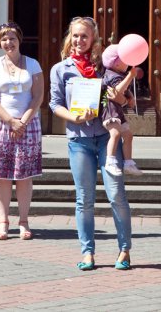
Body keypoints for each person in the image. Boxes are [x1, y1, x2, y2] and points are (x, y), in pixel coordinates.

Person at [49, 16, 133, 271]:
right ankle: (87, 253)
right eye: (75, 36)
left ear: (93, 39)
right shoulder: (61, 69)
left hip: (107, 138)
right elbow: (55, 104)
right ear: (69, 38)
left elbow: (126, 99)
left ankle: (125, 250)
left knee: (116, 194)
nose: (79, 40)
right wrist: (74, 116)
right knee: (84, 199)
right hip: (79, 141)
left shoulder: (104, 66)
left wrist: (121, 96)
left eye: (84, 36)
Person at [0, 22, 44, 240]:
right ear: (0, 43)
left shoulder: (32, 64)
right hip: (1, 125)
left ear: (20, 40)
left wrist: (22, 122)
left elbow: (38, 96)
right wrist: (10, 121)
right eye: (4, 39)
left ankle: (23, 222)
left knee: (24, 176)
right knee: (3, 176)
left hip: (28, 124)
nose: (9, 42)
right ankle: (3, 222)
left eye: (12, 38)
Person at [100, 44, 143, 177]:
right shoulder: (111, 75)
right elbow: (117, 91)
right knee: (116, 134)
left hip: (117, 110)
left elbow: (124, 91)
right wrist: (130, 76)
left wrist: (130, 98)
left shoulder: (118, 74)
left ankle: (128, 163)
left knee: (128, 135)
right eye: (125, 59)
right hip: (110, 110)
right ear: (116, 62)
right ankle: (110, 161)